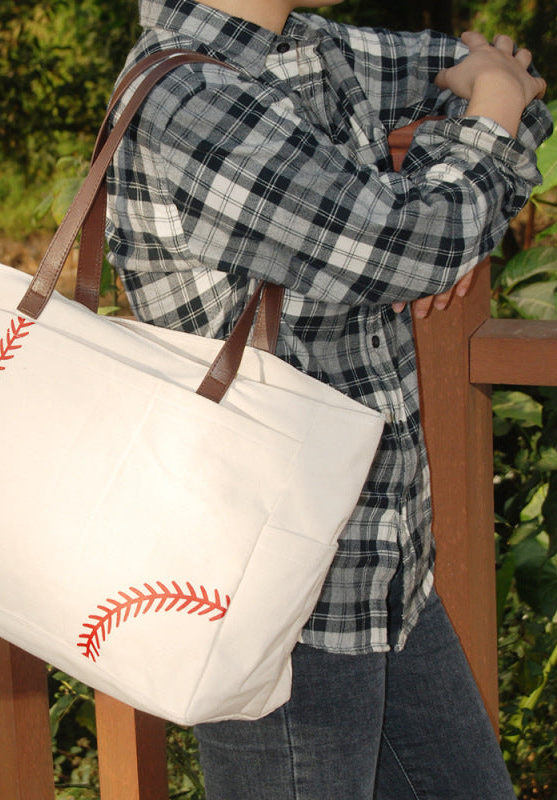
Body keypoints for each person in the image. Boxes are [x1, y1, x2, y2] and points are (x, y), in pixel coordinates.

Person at [104, 0, 552, 797]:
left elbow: (515, 90)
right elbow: (410, 240)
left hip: (384, 574)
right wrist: (464, 170)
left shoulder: (311, 48)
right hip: (277, 598)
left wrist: (453, 187)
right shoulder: (192, 102)